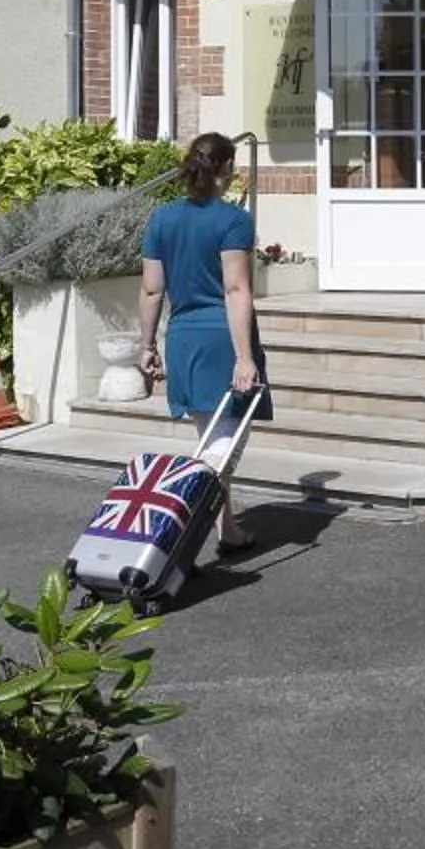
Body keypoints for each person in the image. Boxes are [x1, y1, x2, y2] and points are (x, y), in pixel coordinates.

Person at [137, 132, 269, 559]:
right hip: (222, 340)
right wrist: (245, 357)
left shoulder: (162, 219)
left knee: (208, 436)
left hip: (182, 338)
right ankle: (175, 540)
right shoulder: (233, 220)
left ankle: (227, 530)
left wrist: (146, 346)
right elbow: (235, 290)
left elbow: (152, 291)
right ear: (227, 168)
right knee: (221, 450)